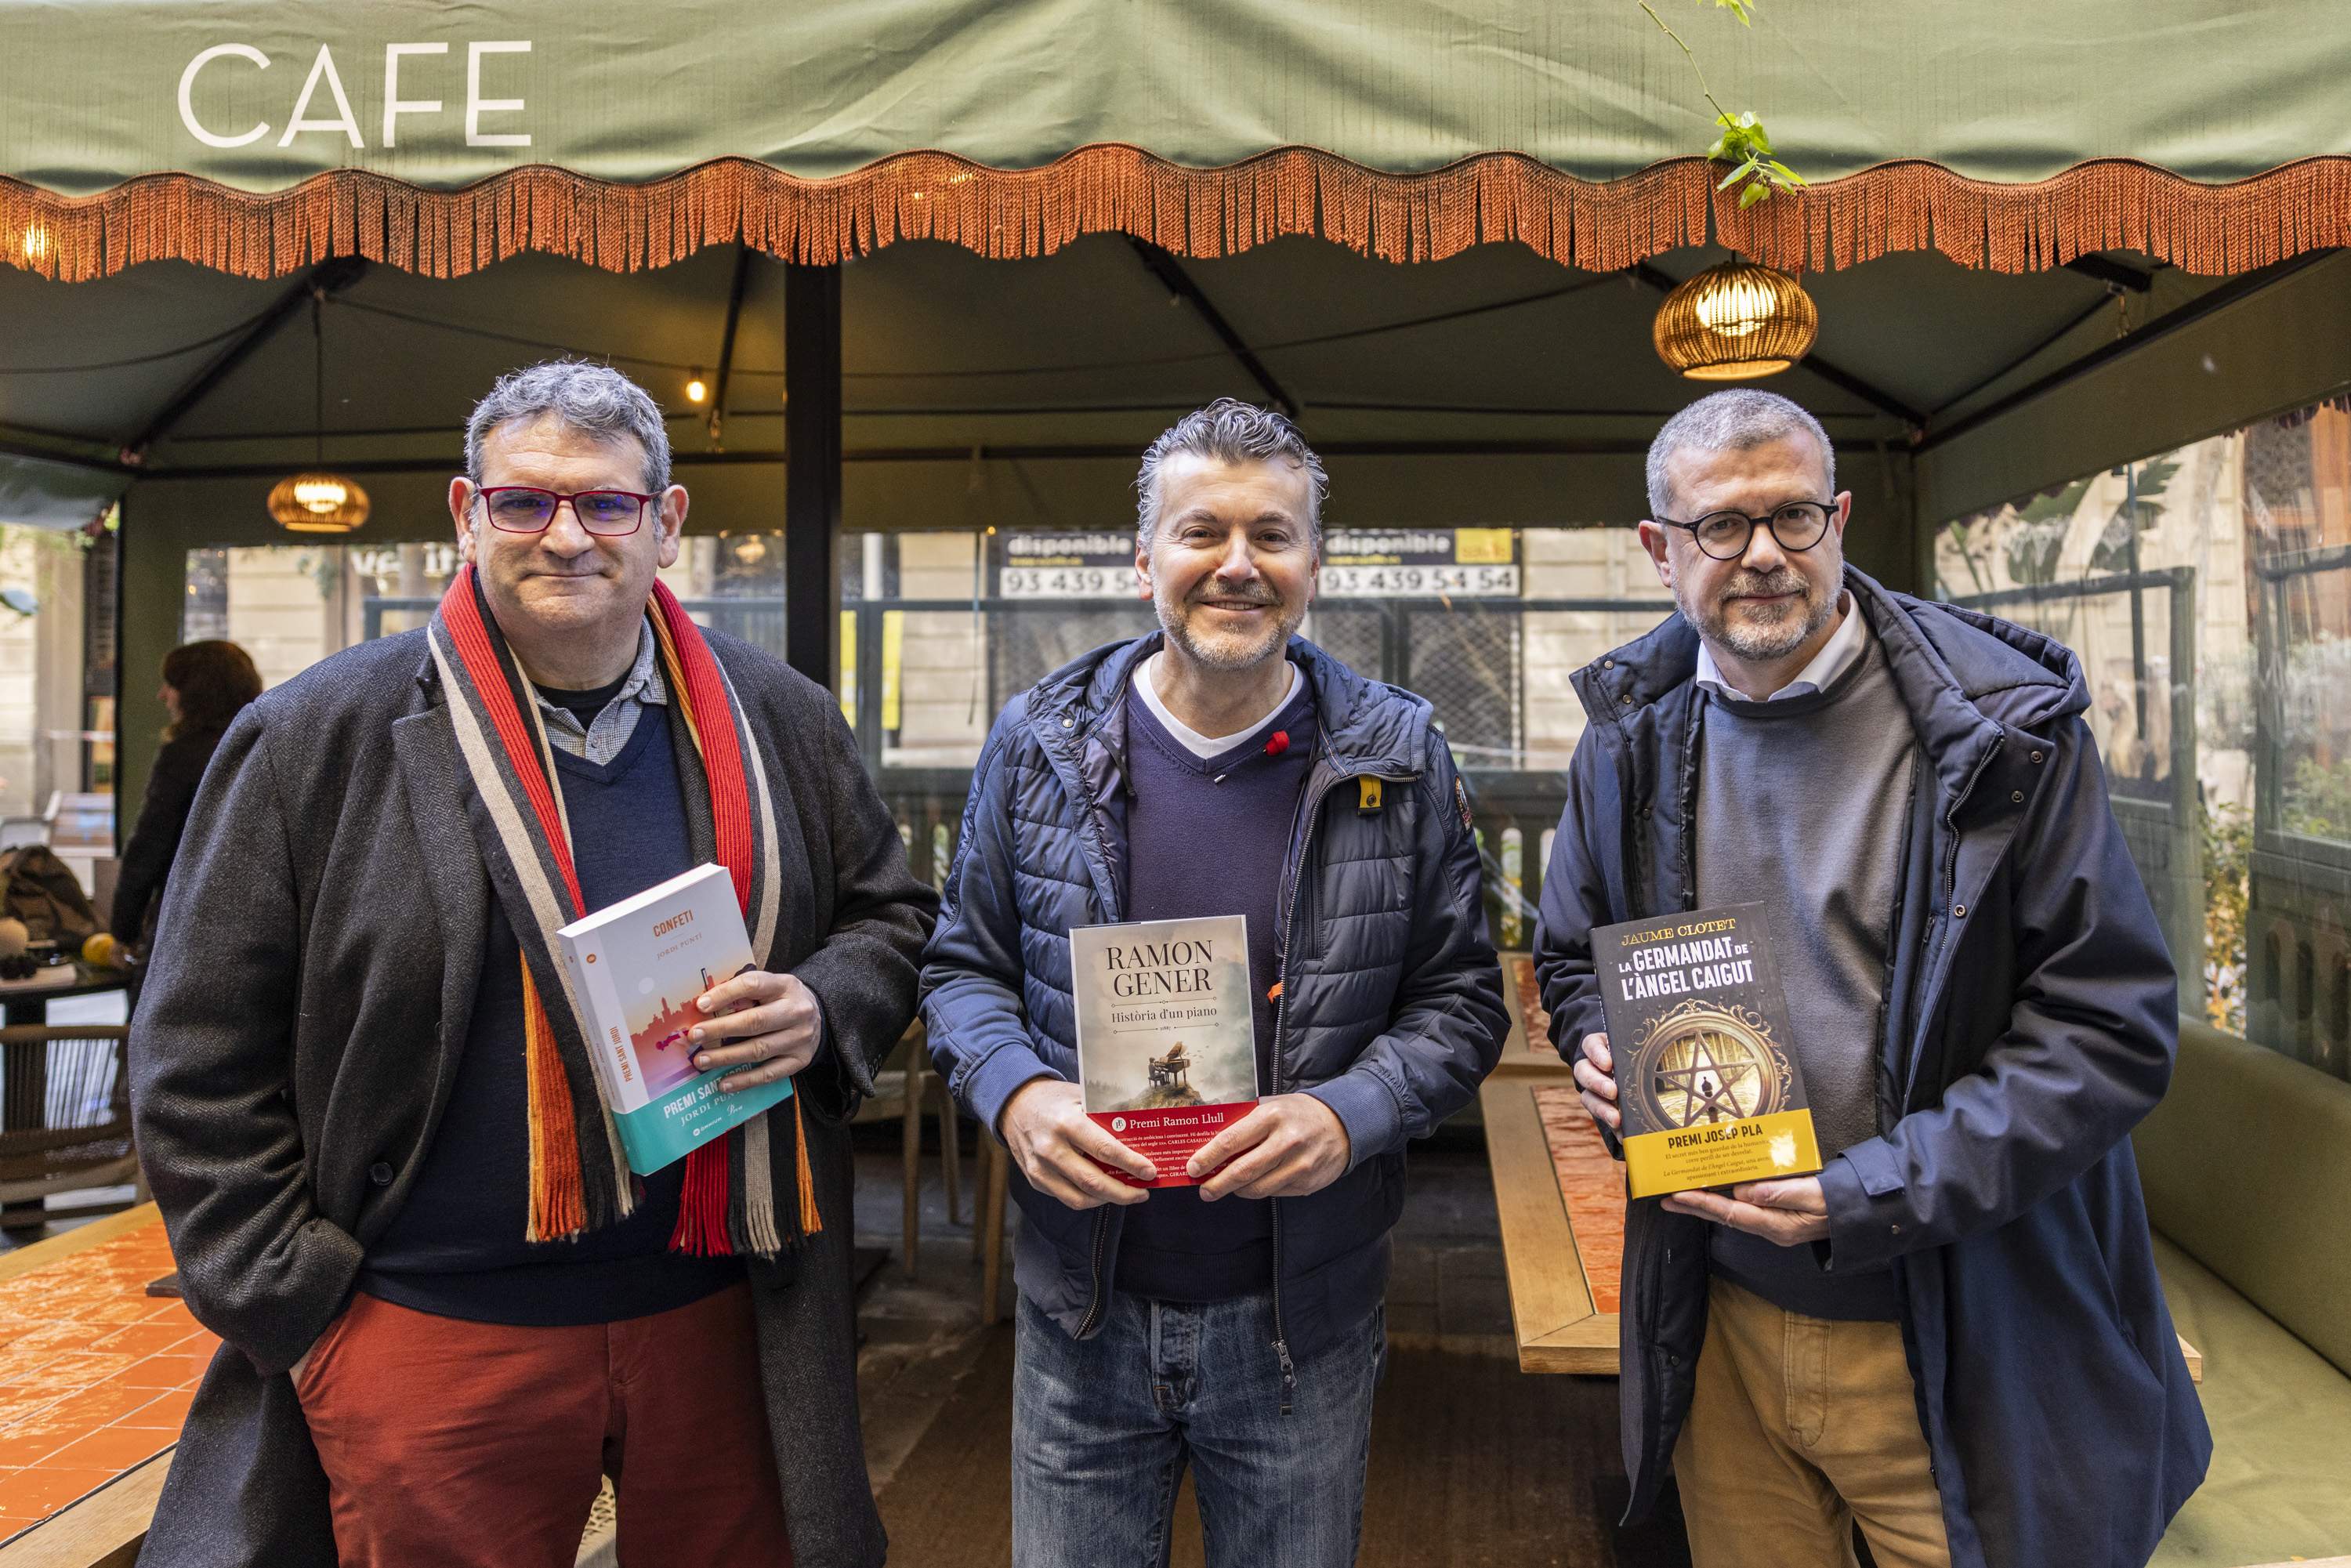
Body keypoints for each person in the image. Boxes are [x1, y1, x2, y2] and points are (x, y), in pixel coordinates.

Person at [130, 360, 936, 1568]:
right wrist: (299, 1305)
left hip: (723, 1315)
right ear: (466, 515)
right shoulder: (315, 738)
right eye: (525, 503)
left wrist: (826, 1003)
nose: (566, 536)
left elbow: (894, 912)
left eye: (606, 504)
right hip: (429, 1329)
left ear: (666, 525)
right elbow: (193, 1048)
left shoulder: (781, 716)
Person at [1533, 389, 2210, 1568]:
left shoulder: (2005, 731)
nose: (1763, 556)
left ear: (1840, 518)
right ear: (1658, 550)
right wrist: (1600, 1043)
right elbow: (1575, 956)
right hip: (1722, 1327)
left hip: (1965, 1326)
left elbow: (2108, 1027)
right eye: (1720, 527)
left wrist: (1872, 1191)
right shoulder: (1628, 737)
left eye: (1793, 516)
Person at [922, 398, 1508, 1568]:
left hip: (1300, 1324)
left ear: (1314, 564)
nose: (1237, 564)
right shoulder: (1037, 740)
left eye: (1273, 535)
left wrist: (1353, 1113)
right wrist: (1017, 1095)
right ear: (1146, 558)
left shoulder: (1398, 749)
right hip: (1081, 1312)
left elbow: (1464, 999)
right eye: (1201, 532)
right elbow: (962, 968)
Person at [110, 639, 263, 951]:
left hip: (188, 924)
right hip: (259, 922)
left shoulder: (182, 756)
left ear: (195, 693)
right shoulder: (264, 748)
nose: (162, 695)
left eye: (172, 685)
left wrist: (123, 930)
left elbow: (150, 847)